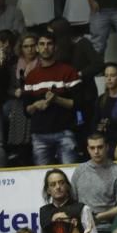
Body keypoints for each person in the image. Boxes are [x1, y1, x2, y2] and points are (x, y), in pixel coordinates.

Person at [23, 33, 81, 166]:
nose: (45, 47)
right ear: (37, 48)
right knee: (42, 177)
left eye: (49, 44)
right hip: (39, 134)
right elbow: (26, 110)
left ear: (55, 48)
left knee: (69, 173)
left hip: (65, 131)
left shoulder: (69, 71)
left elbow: (79, 104)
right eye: (42, 44)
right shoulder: (31, 76)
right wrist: (35, 106)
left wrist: (56, 99)